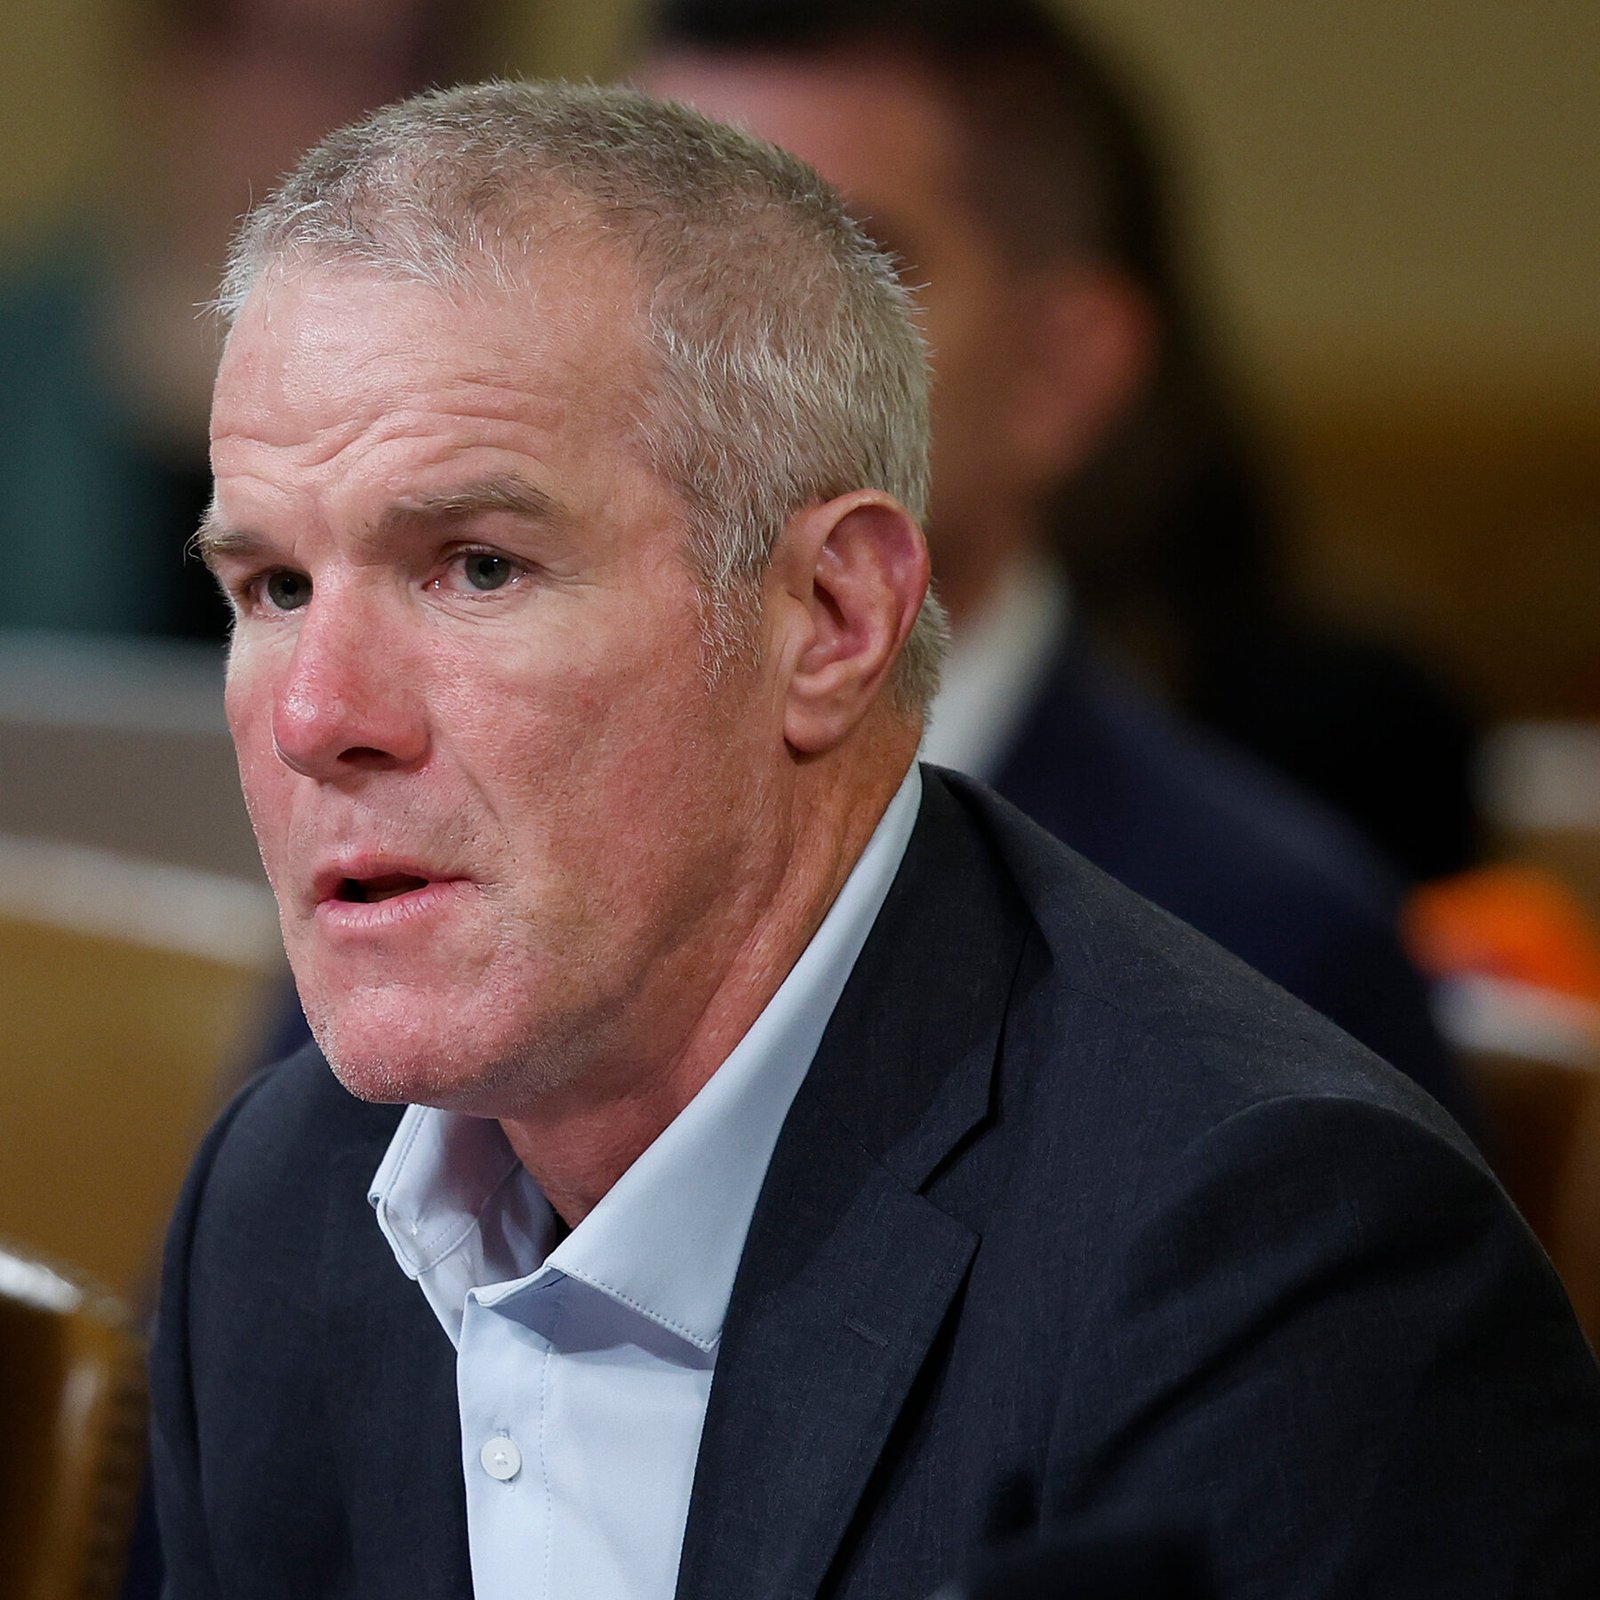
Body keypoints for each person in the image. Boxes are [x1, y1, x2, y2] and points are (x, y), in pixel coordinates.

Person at [149, 79, 1600, 1599]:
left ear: (833, 620)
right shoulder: (287, 1196)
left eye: (477, 567)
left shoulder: (1266, 1259)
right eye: (273, 589)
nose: (316, 715)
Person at [636, 0, 1479, 1127]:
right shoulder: (457, 842)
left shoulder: (1263, 951)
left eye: (831, 272)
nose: (694, 355)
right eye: (646, 259)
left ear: (1057, 372)